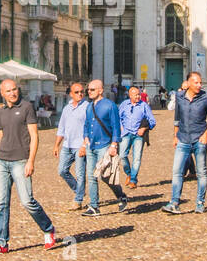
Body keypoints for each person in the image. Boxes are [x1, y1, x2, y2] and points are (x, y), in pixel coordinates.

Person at [0, 79, 56, 253]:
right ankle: (1, 241)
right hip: (2, 161)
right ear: (2, 93)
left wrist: (31, 160)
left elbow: (34, 135)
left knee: (27, 201)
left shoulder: (26, 107)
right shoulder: (1, 112)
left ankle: (48, 228)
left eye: (15, 89)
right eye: (8, 91)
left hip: (20, 161)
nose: (12, 93)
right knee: (1, 203)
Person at [165, 71, 207, 214]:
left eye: (200, 82)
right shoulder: (179, 97)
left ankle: (200, 203)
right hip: (183, 138)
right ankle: (174, 202)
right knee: (177, 172)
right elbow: (177, 118)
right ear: (188, 83)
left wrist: (206, 135)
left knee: (201, 173)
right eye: (196, 82)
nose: (199, 85)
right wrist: (175, 136)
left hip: (199, 139)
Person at [78, 79, 125, 215]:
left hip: (105, 145)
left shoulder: (110, 106)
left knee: (105, 176)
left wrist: (114, 145)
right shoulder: (89, 106)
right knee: (92, 176)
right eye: (88, 89)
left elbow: (116, 127)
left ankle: (121, 195)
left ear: (100, 90)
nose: (89, 92)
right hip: (91, 145)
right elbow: (86, 124)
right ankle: (94, 206)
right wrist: (85, 137)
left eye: (92, 89)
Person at [55, 82, 89, 210]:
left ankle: (78, 199)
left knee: (80, 174)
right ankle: (78, 190)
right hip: (67, 145)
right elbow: (62, 127)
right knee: (62, 170)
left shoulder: (87, 107)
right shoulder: (66, 108)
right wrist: (56, 145)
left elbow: (90, 128)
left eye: (81, 92)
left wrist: (85, 145)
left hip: (80, 145)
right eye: (77, 92)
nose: (80, 94)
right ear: (71, 94)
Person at [118, 85, 156, 189]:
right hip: (125, 134)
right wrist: (121, 128)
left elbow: (152, 121)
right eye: (136, 95)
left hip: (138, 136)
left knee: (137, 158)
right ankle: (129, 173)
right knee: (122, 155)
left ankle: (133, 179)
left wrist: (144, 128)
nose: (138, 97)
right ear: (130, 95)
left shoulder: (144, 106)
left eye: (139, 94)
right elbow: (118, 117)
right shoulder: (124, 105)